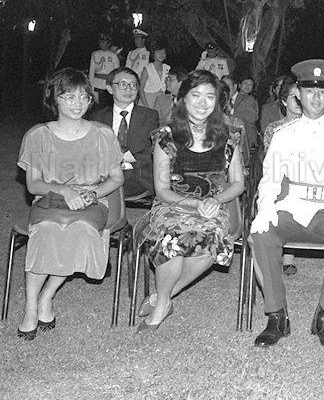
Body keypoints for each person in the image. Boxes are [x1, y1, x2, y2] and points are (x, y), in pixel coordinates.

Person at [250, 59, 324, 350]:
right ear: (298, 93)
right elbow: (271, 178)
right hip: (292, 205)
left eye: (323, 92)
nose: (316, 97)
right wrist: (264, 210)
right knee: (261, 235)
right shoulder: (284, 133)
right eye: (310, 91)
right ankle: (277, 316)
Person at [16, 68, 124, 339]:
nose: (77, 104)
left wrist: (95, 193)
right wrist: (64, 190)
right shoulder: (37, 136)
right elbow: (33, 185)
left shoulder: (103, 135)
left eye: (83, 97)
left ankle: (47, 297)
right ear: (55, 99)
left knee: (78, 231)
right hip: (50, 199)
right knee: (47, 233)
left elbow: (116, 178)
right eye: (69, 97)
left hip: (91, 202)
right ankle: (31, 307)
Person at [136, 70, 245, 333]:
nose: (202, 102)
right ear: (182, 99)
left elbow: (238, 183)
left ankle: (164, 297)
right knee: (173, 238)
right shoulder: (166, 136)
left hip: (213, 206)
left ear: (218, 101)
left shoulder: (230, 136)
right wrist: (193, 204)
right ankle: (162, 304)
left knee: (211, 239)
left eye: (210, 96)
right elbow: (161, 189)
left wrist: (216, 200)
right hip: (173, 204)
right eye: (195, 95)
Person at [91, 67, 159, 198]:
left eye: (133, 85)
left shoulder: (150, 116)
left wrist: (122, 156)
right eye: (122, 84)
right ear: (110, 88)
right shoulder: (97, 117)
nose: (129, 89)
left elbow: (152, 152)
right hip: (103, 178)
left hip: (138, 179)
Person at [261, 77, 302, 276]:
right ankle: (283, 252)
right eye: (294, 96)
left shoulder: (312, 128)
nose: (299, 100)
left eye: (301, 96)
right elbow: (272, 164)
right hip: (281, 179)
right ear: (284, 101)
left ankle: (288, 254)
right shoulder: (273, 129)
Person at [223, 74, 259, 149]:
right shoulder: (221, 99)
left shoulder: (248, 99)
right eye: (222, 85)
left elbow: (252, 118)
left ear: (235, 86)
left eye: (227, 86)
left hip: (246, 141)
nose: (224, 88)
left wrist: (232, 111)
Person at [88, 34, 120, 107]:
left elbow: (116, 73)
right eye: (101, 42)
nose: (102, 44)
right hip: (97, 85)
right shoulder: (95, 54)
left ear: (108, 43)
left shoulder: (113, 56)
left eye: (104, 42)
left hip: (108, 86)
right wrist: (91, 86)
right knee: (96, 107)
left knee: (107, 108)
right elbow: (92, 70)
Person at [139, 39, 170, 109]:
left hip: (161, 102)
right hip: (147, 100)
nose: (161, 54)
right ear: (153, 54)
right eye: (159, 52)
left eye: (163, 52)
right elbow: (140, 89)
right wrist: (146, 106)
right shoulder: (147, 69)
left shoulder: (167, 68)